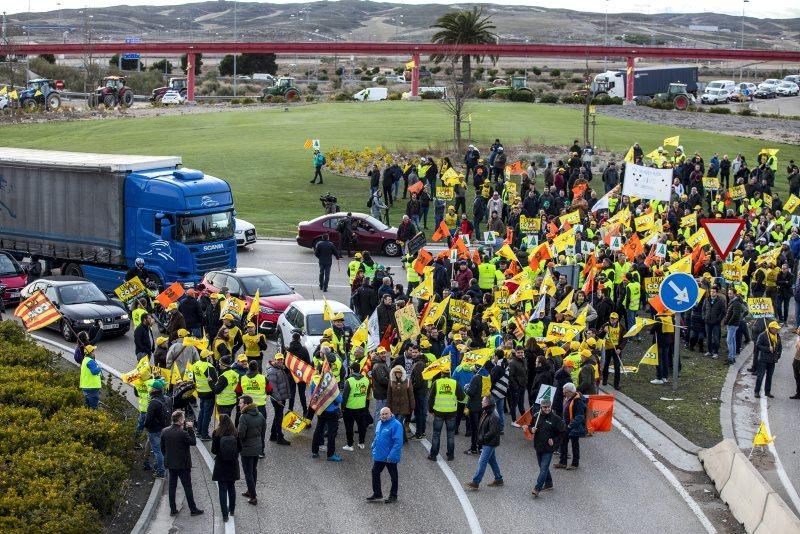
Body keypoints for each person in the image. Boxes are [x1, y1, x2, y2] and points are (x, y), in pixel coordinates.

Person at [161, 410, 204, 517]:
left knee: (172, 486)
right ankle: (193, 509)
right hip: (183, 465)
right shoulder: (183, 433)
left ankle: (173, 509)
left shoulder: (165, 431)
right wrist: (190, 428)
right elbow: (193, 442)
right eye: (183, 418)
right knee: (187, 487)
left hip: (170, 464)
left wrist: (168, 457)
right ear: (180, 420)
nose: (184, 420)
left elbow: (162, 448)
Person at [528, 398, 566, 497]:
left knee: (543, 468)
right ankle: (549, 483)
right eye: (545, 407)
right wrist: (531, 429)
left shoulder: (556, 419)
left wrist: (554, 440)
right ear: (541, 407)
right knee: (542, 467)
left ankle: (537, 488)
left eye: (549, 407)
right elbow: (530, 426)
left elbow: (562, 433)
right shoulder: (536, 416)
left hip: (548, 449)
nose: (547, 409)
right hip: (538, 447)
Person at [464, 396, 504, 490]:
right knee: (492, 461)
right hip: (488, 442)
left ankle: (475, 482)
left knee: (482, 461)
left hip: (489, 443)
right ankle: (499, 479)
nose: (481, 402)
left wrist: (482, 439)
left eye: (483, 401)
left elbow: (493, 432)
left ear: (487, 403)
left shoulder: (493, 415)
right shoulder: (487, 411)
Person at [367, 407, 404, 503]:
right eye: (382, 414)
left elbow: (398, 442)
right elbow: (377, 435)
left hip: (389, 456)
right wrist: (373, 445)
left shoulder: (396, 425)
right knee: (375, 472)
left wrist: (392, 455)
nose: (384, 416)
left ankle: (393, 495)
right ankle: (377, 494)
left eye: (386, 414)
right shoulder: (379, 423)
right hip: (380, 454)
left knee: (393, 475)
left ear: (390, 413)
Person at [427, 370, 465, 461]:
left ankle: (433, 455)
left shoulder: (437, 382)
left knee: (436, 434)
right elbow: (462, 397)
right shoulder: (455, 383)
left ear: (441, 374)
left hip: (438, 412)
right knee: (450, 435)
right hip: (451, 412)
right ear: (450, 374)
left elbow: (431, 397)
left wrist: (431, 410)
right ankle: (450, 455)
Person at [211, 414, 240, 523]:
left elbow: (213, 450)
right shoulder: (235, 432)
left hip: (221, 465)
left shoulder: (216, 433)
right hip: (232, 464)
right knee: (231, 487)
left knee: (222, 490)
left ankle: (224, 515)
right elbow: (240, 448)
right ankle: (232, 510)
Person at [237, 395, 266, 505]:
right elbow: (263, 430)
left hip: (247, 448)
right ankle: (250, 490)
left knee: (248, 472)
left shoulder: (243, 417)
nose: (239, 405)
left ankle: (253, 497)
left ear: (247, 404)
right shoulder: (260, 414)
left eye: (240, 403)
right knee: (253, 470)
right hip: (257, 446)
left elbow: (241, 434)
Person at [554, 382, 586, 470]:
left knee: (575, 445)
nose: (563, 394)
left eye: (565, 392)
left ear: (571, 392)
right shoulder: (569, 398)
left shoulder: (578, 401)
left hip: (574, 427)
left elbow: (580, 416)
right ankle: (562, 462)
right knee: (563, 443)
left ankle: (575, 464)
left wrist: (570, 425)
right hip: (567, 425)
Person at [144, 378, 170, 479]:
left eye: (151, 388)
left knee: (157, 451)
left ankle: (160, 471)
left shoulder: (153, 402)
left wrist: (147, 427)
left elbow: (149, 418)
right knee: (163, 449)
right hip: (165, 428)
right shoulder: (167, 399)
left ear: (154, 390)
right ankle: (160, 466)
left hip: (155, 430)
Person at [342, 362, 371, 451]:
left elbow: (345, 396)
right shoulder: (366, 380)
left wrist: (342, 407)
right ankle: (361, 443)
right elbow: (368, 393)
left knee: (349, 427)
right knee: (362, 426)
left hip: (349, 408)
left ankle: (350, 445)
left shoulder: (349, 381)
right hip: (362, 407)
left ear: (351, 370)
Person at [266, 354, 292, 446]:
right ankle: (279, 437)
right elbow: (273, 387)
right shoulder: (273, 371)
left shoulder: (280, 368)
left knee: (277, 416)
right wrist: (278, 399)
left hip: (280, 397)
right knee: (279, 418)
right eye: (278, 359)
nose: (280, 361)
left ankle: (273, 435)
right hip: (278, 399)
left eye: (281, 359)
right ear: (275, 360)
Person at [193, 349, 218, 440]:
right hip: (209, 393)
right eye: (209, 356)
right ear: (207, 357)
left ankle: (199, 431)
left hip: (200, 391)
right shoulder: (209, 367)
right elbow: (215, 380)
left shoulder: (196, 365)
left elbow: (194, 379)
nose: (210, 357)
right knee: (207, 415)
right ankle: (204, 434)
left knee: (202, 412)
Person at [754, 321, 782, 399]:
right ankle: (756, 391)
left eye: (777, 329)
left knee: (769, 377)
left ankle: (767, 392)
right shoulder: (763, 335)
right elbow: (758, 345)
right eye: (775, 329)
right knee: (760, 376)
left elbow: (780, 346)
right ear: (771, 328)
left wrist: (778, 355)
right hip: (763, 360)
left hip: (772, 361)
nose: (777, 330)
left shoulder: (777, 336)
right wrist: (767, 349)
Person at [386, 365, 414, 441]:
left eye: (400, 373)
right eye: (397, 373)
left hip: (404, 407)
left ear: (402, 373)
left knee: (398, 422)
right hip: (394, 407)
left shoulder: (407, 381)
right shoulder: (391, 382)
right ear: (394, 373)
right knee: (398, 423)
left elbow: (411, 395)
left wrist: (412, 406)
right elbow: (389, 395)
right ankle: (403, 439)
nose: (398, 374)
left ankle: (398, 439)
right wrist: (388, 407)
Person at [79, 345, 102, 409]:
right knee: (93, 406)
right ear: (91, 352)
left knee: (88, 405)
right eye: (93, 351)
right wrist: (99, 368)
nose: (94, 353)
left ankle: (88, 416)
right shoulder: (90, 361)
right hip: (92, 387)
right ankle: (92, 417)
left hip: (85, 386)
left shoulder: (84, 360)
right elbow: (94, 372)